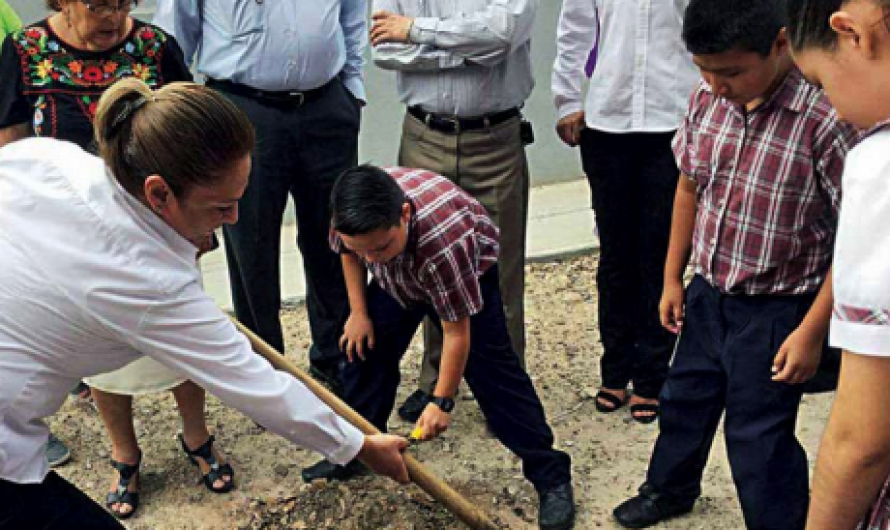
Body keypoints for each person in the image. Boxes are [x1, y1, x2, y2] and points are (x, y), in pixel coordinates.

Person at [0, 78, 410, 530]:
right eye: (221, 207)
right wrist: (358, 445)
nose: (233, 218)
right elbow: (256, 385)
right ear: (158, 193)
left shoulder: (47, 158)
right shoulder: (147, 281)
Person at [611, 0, 858, 528]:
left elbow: (858, 235)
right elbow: (688, 185)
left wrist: (813, 331)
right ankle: (668, 489)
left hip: (779, 309)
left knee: (758, 433)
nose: (716, 85)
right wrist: (672, 277)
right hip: (708, 292)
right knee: (683, 401)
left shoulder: (823, 116)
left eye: (730, 72)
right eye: (704, 70)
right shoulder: (709, 98)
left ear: (780, 43)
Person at [0, 1, 238, 518]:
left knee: (185, 339)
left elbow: (195, 144)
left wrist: (199, 233)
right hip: (68, 247)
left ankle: (196, 437)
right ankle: (125, 455)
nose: (114, 14)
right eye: (100, 2)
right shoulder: (25, 51)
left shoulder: (155, 48)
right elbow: (11, 140)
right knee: (101, 356)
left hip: (161, 231)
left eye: (124, 1)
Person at [300, 164, 576, 530]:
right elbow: (350, 254)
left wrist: (441, 401)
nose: (372, 259)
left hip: (464, 276)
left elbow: (456, 333)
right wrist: (358, 312)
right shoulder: (352, 216)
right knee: (363, 355)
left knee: (496, 377)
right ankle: (359, 451)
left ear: (404, 214)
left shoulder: (443, 244)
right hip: (396, 282)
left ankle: (551, 476)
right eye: (364, 250)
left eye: (381, 246)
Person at [154, 0, 366, 396]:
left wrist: (352, 90)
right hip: (243, 108)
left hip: (327, 107)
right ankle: (267, 375)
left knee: (336, 238)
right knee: (251, 244)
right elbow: (172, 43)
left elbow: (353, 17)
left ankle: (337, 362)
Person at [370, 0, 537, 422]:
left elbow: (501, 36)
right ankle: (435, 382)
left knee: (500, 272)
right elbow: (383, 50)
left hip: (494, 139)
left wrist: (414, 30)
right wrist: (468, 47)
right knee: (422, 263)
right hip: (425, 135)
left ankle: (503, 397)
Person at [551, 0, 699, 423]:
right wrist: (566, 100)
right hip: (607, 120)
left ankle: (652, 375)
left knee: (661, 256)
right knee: (616, 258)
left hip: (673, 119)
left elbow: (704, 28)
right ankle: (614, 369)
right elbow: (574, 30)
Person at [787, 1, 890, 529]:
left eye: (821, 83)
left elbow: (861, 439)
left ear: (851, 34)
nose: (834, 108)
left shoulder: (881, 166)